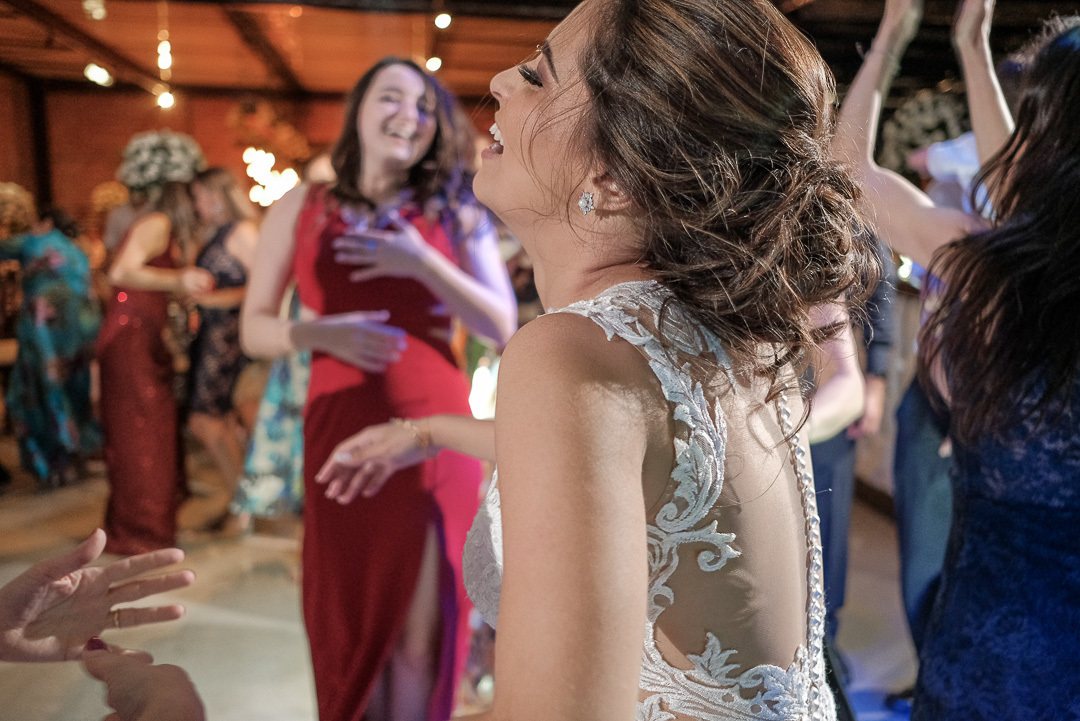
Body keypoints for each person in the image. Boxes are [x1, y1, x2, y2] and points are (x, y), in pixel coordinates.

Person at [84, 0, 880, 718]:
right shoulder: (733, 330)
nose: (497, 81)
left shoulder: (572, 353)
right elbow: (634, 467)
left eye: (537, 74)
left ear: (610, 176)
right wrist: (429, 431)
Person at [240, 58, 516, 720]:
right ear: (359, 110)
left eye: (424, 108)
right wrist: (315, 333)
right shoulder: (302, 205)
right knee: (353, 614)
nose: (408, 116)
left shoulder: (455, 209)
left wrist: (421, 262)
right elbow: (254, 327)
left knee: (421, 633)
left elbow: (501, 323)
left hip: (432, 431)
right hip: (339, 418)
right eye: (391, 98)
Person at [832, 0, 1080, 716]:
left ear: (1043, 140)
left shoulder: (984, 265)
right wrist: (971, 49)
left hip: (986, 656)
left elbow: (846, 172)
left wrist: (892, 37)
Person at [98, 182, 214, 555]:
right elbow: (120, 272)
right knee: (140, 434)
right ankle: (140, 532)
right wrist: (178, 279)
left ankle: (150, 525)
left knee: (154, 431)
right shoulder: (158, 222)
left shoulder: (170, 231)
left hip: (145, 338)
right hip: (128, 338)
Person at [0, 199, 102, 488]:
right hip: (79, 335)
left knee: (38, 391)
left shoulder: (34, 241)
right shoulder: (77, 250)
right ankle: (77, 457)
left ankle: (54, 465)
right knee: (74, 391)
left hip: (43, 332)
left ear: (46, 223)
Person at [187, 168, 260, 502]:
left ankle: (244, 502)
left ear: (217, 196)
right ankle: (243, 502)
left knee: (205, 420)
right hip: (212, 338)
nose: (196, 204)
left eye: (199, 196)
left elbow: (264, 289)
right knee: (220, 421)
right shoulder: (216, 233)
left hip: (229, 340)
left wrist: (212, 300)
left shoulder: (243, 232)